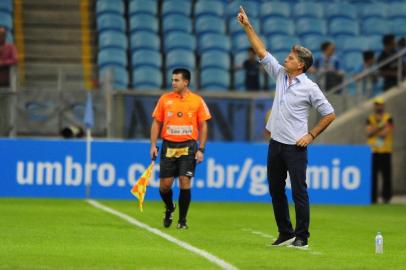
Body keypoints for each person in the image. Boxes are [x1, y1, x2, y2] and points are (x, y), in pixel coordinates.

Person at [238, 6, 336, 248]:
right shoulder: (281, 75)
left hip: (295, 146)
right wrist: (247, 26)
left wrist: (311, 135)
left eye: (291, 57)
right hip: (276, 144)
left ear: (301, 65)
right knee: (275, 190)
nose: (286, 58)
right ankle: (285, 232)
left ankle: (302, 236)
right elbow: (261, 50)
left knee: (299, 192)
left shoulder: (310, 88)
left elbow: (330, 114)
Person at [150, 68, 211, 229]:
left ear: (186, 82)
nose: (173, 83)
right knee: (165, 185)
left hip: (188, 147)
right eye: (172, 80)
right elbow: (156, 123)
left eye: (176, 80)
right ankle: (170, 207)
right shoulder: (165, 99)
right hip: (168, 146)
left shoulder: (197, 101)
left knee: (185, 181)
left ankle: (182, 221)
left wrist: (201, 149)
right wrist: (153, 145)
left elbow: (203, 125)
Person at [366, 97, 394, 204]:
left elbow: (384, 134)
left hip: (386, 150)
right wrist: (381, 125)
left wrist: (375, 128)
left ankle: (387, 198)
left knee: (386, 175)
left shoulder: (389, 118)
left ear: (383, 105)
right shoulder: (370, 118)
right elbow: (368, 133)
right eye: (376, 104)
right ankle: (373, 198)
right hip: (373, 150)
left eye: (380, 104)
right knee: (373, 176)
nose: (378, 106)